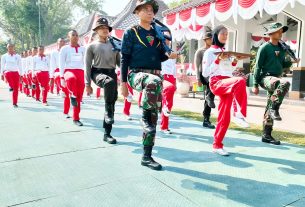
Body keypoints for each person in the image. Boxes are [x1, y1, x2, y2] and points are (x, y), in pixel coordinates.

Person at [120, 0, 178, 170]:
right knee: (153, 85)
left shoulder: (158, 33)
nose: (149, 12)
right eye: (145, 9)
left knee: (152, 121)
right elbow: (124, 59)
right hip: (136, 74)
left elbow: (160, 56)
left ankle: (146, 156)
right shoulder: (130, 32)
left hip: (155, 78)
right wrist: (123, 83)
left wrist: (170, 55)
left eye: (151, 10)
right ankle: (145, 116)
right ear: (137, 12)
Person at [202, 25, 249, 156]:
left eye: (227, 34)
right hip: (217, 82)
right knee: (239, 81)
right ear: (216, 35)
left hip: (227, 82)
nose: (225, 36)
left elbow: (228, 71)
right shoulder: (209, 52)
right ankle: (238, 114)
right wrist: (217, 60)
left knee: (224, 117)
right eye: (222, 33)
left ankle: (217, 145)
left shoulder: (226, 52)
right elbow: (206, 72)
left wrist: (234, 61)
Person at [252, 22, 299, 145]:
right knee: (284, 83)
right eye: (278, 31)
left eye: (281, 31)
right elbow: (257, 67)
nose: (280, 33)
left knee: (270, 103)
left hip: (276, 79)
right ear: (271, 33)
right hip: (266, 78)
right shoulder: (264, 48)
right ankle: (275, 108)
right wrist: (255, 85)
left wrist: (291, 61)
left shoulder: (282, 48)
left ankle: (266, 134)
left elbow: (283, 65)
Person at [85, 17, 120, 144]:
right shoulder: (91, 46)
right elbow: (87, 65)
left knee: (112, 102)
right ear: (97, 30)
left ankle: (107, 134)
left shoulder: (114, 45)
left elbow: (120, 63)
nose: (105, 30)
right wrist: (87, 84)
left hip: (112, 73)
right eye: (102, 28)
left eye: (106, 28)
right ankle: (108, 111)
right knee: (109, 84)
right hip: (98, 72)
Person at [59, 30, 86, 126]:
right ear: (69, 37)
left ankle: (76, 118)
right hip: (68, 71)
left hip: (80, 72)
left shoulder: (83, 49)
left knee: (79, 97)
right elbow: (61, 63)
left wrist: (87, 78)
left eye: (76, 35)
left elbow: (86, 63)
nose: (75, 37)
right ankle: (72, 95)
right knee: (71, 79)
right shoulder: (65, 49)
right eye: (73, 35)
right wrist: (62, 78)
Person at [194, 30, 215, 129]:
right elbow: (197, 65)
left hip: (213, 75)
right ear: (205, 40)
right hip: (204, 75)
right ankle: (209, 98)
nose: (211, 40)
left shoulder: (215, 50)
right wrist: (198, 78)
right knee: (210, 90)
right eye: (209, 39)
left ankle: (206, 119)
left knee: (210, 96)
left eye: (212, 38)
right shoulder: (200, 51)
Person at [160, 39, 177, 134]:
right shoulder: (159, 51)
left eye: (168, 40)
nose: (167, 42)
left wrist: (175, 81)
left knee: (169, 104)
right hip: (163, 77)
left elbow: (174, 68)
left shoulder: (173, 53)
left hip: (171, 78)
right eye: (165, 40)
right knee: (165, 103)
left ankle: (164, 126)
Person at [0, 43, 22, 107]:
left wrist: (21, 75)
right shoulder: (4, 56)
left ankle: (15, 103)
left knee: (16, 89)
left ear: (14, 47)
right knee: (8, 74)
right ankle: (10, 86)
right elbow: (2, 65)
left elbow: (20, 66)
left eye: (11, 47)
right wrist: (1, 74)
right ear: (7, 48)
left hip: (16, 73)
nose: (10, 48)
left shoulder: (17, 56)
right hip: (7, 72)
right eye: (9, 47)